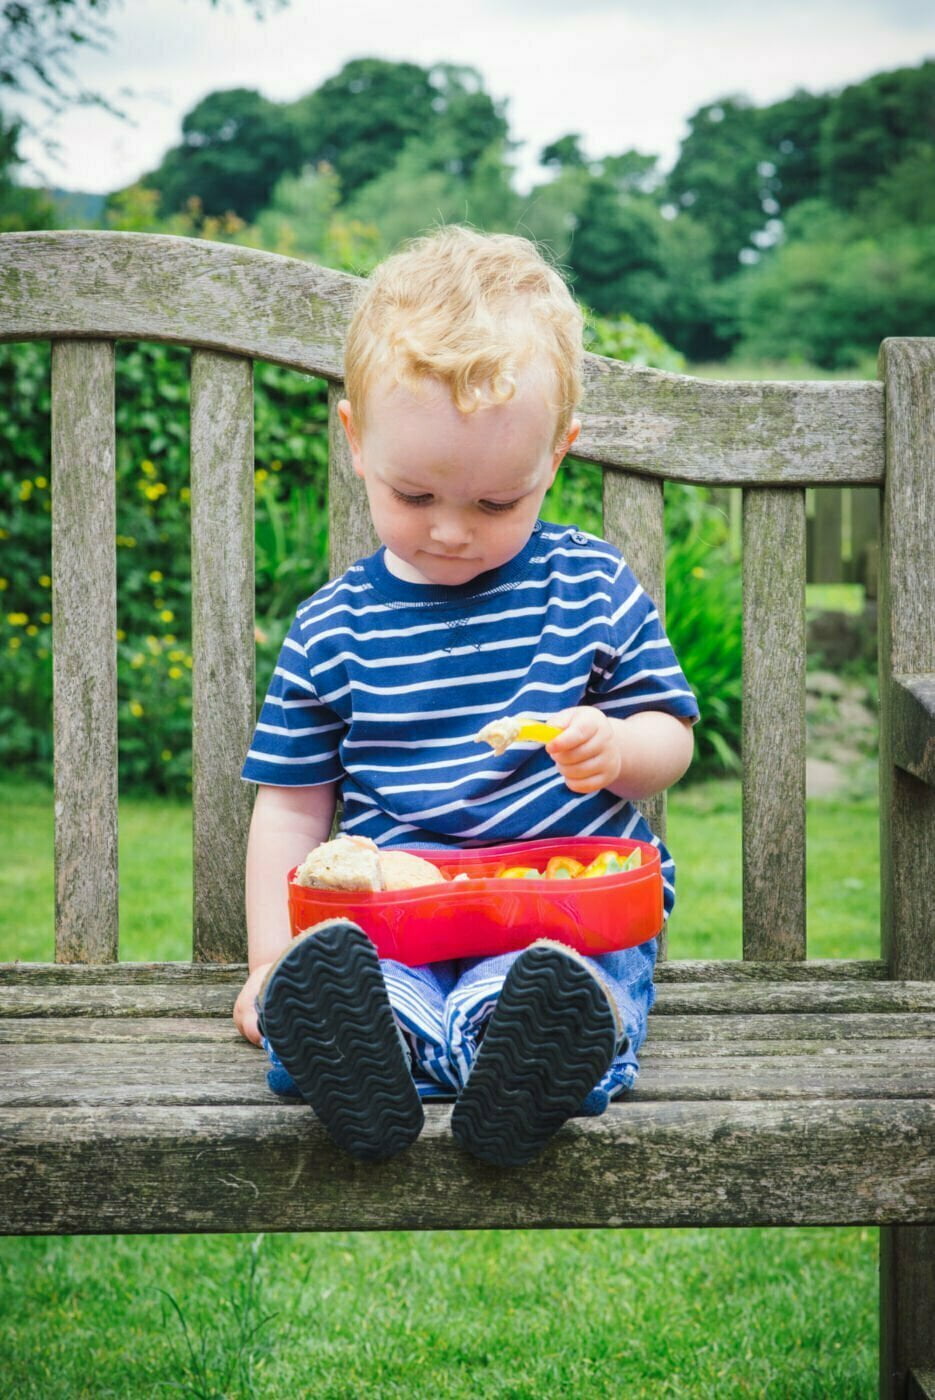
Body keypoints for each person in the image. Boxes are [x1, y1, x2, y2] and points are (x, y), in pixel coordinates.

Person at [233, 224, 698, 1167]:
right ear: (356, 442)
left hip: (560, 917)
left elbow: (671, 734)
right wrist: (270, 961)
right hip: (391, 919)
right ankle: (372, 1059)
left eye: (495, 504)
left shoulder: (588, 586)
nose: (450, 531)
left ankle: (518, 1064)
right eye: (415, 496)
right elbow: (289, 809)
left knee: (548, 986)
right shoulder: (335, 628)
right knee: (357, 990)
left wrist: (617, 744)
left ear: (555, 459)